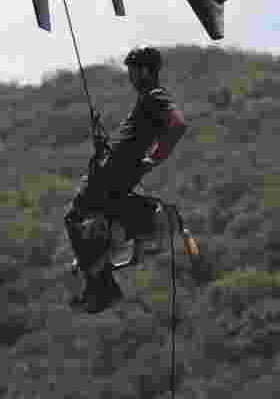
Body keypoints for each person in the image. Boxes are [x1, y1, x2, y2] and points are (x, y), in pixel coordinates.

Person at [65, 46, 188, 313]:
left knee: (75, 216)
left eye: (132, 70)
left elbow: (177, 124)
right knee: (98, 223)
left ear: (144, 70)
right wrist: (106, 146)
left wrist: (153, 158)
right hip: (114, 171)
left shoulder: (155, 97)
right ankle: (101, 283)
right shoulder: (147, 99)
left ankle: (102, 288)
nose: (130, 76)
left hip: (114, 175)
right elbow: (133, 140)